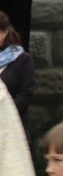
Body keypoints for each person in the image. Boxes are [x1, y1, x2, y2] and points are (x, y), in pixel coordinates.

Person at [0, 11, 35, 145]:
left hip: (11, 129)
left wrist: (4, 110)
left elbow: (26, 95)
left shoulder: (22, 59)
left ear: (5, 33)